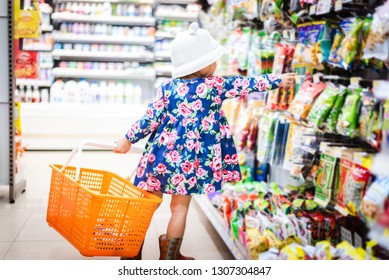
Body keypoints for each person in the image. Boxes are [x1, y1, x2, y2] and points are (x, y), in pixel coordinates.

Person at [114, 22, 296, 260]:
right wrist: (278, 80)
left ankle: (131, 252)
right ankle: (170, 258)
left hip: (159, 157)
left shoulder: (167, 87)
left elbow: (149, 119)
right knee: (179, 209)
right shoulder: (215, 86)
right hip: (189, 163)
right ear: (203, 64)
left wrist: (127, 139)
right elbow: (246, 84)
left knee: (147, 204)